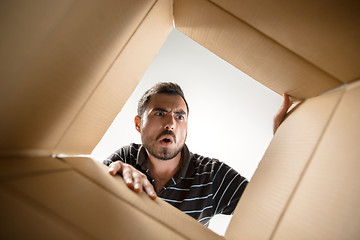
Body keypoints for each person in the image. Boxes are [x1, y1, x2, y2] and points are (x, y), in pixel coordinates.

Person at [103, 82, 292, 226]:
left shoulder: (211, 174)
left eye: (179, 116)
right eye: (160, 114)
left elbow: (270, 206)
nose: (171, 124)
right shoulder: (125, 158)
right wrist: (109, 176)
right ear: (138, 123)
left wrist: (285, 143)